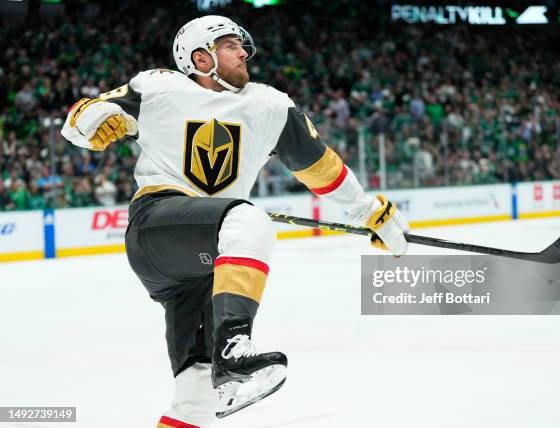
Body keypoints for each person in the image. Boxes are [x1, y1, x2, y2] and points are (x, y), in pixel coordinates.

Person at [61, 15, 409, 428]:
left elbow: (322, 169)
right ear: (200, 57)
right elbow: (79, 122)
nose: (244, 53)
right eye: (230, 45)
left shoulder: (270, 105)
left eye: (242, 46)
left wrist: (370, 213)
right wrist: (94, 122)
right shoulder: (158, 87)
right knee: (248, 219)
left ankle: (219, 364)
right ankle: (233, 348)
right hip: (157, 227)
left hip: (208, 256)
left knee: (196, 401)